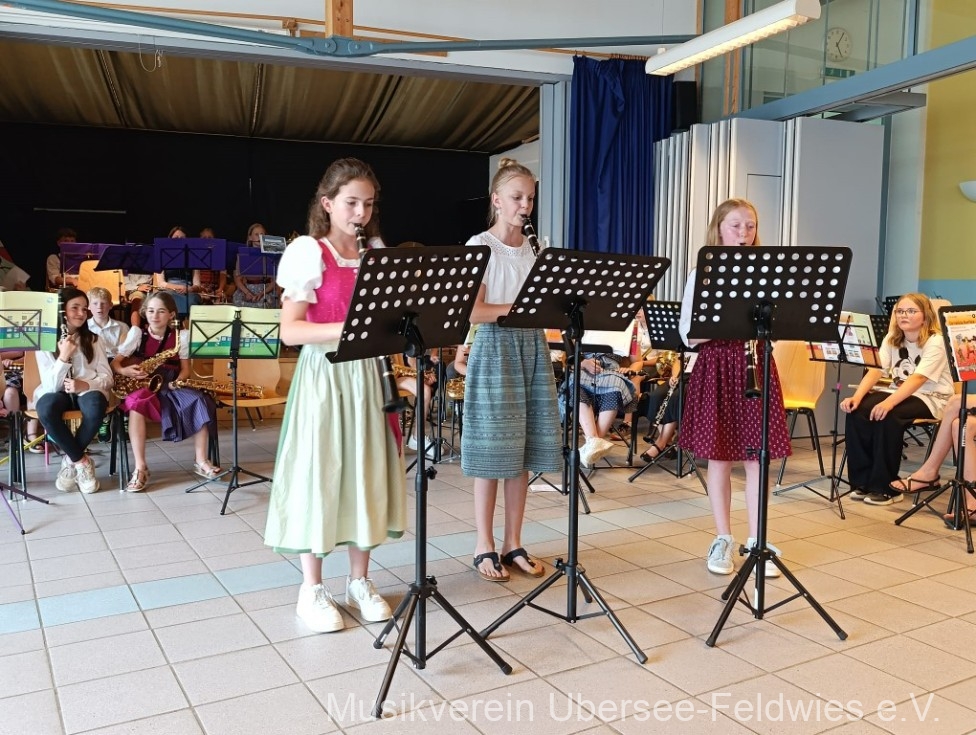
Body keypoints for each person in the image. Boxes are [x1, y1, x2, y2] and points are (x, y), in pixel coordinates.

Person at [264, 157, 406, 634]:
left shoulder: (376, 252)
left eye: (368, 204)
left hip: (369, 374)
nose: (360, 213)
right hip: (325, 374)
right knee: (320, 473)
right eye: (351, 203)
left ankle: (359, 581)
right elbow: (290, 330)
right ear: (327, 204)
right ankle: (312, 588)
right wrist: (349, 327)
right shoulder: (309, 251)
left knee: (365, 471)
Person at [679, 198, 791, 576]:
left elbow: (782, 325)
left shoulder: (767, 274)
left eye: (751, 226)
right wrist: (717, 325)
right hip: (717, 364)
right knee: (720, 456)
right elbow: (688, 334)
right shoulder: (702, 275)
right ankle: (723, 538)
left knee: (758, 457)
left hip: (755, 362)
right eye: (736, 226)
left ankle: (758, 540)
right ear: (719, 230)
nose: (745, 233)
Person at [462, 158, 561, 583]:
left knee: (522, 450)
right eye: (517, 197)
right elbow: (475, 311)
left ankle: (513, 542)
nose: (525, 206)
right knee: (492, 451)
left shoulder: (537, 248)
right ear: (497, 200)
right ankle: (483, 543)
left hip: (532, 345)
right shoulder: (480, 245)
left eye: (530, 198)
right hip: (494, 347)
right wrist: (522, 308)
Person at [841, 293, 954, 505]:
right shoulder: (892, 338)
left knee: (889, 415)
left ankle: (885, 488)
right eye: (900, 311)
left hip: (932, 397)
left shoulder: (936, 341)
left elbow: (919, 378)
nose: (904, 315)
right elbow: (876, 369)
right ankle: (862, 482)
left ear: (925, 316)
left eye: (911, 311)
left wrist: (889, 402)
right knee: (858, 410)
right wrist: (857, 397)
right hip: (899, 392)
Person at [112, 291, 221, 492]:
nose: (155, 316)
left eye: (161, 311)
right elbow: (116, 363)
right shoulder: (137, 334)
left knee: (200, 399)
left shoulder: (182, 336)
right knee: (136, 404)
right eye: (151, 311)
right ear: (145, 312)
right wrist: (124, 370)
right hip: (144, 383)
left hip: (171, 382)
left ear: (171, 314)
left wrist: (177, 382)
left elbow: (186, 369)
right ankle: (140, 467)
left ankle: (201, 460)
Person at [33, 287, 113, 494]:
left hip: (87, 390)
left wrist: (86, 385)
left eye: (84, 309)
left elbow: (107, 378)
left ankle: (71, 460)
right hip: (58, 392)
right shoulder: (44, 340)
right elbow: (50, 386)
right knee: (45, 407)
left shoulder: (94, 339)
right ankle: (82, 462)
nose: (81, 313)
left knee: (96, 405)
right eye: (75, 308)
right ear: (61, 311)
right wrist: (63, 357)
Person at [154, 226, 203, 319]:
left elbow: (197, 285)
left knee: (192, 299)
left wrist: (191, 289)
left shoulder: (193, 257)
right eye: (176, 238)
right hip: (170, 290)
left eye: (182, 238)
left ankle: (188, 325)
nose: (179, 241)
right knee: (167, 299)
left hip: (189, 292)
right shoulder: (162, 256)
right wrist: (179, 287)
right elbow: (161, 283)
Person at [233, 223, 275, 307]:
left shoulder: (271, 254)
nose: (259, 237)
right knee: (237, 300)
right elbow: (238, 279)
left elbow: (275, 281)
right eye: (256, 234)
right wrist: (247, 293)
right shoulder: (243, 255)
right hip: (247, 289)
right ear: (250, 237)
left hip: (265, 290)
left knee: (263, 303)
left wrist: (262, 293)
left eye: (262, 234)